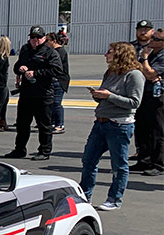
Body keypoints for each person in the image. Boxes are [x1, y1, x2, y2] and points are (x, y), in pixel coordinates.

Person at [80, 42, 145, 211]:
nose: (105, 55)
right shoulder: (110, 72)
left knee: (119, 165)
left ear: (120, 55)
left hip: (119, 125)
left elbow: (134, 102)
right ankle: (85, 195)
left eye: (109, 52)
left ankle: (115, 199)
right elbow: (106, 96)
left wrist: (109, 96)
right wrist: (98, 96)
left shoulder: (134, 75)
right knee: (88, 160)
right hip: (101, 122)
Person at [4, 26, 63, 161]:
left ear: (44, 38)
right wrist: (20, 69)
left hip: (43, 94)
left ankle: (44, 150)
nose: (35, 40)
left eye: (38, 37)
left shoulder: (50, 52)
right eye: (32, 37)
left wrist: (36, 73)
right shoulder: (25, 50)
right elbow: (16, 67)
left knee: (44, 125)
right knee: (22, 124)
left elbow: (57, 71)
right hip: (26, 93)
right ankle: (19, 149)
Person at [131, 29, 164, 175]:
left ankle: (159, 163)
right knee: (142, 127)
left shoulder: (159, 56)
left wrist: (144, 58)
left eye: (156, 39)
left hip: (158, 96)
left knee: (157, 130)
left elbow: (151, 73)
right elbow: (138, 70)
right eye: (153, 38)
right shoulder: (152, 53)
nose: (152, 41)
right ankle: (144, 160)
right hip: (144, 93)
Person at [47, 32, 70, 133]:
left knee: (56, 103)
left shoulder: (59, 52)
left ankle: (59, 124)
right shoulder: (53, 51)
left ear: (53, 41)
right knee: (51, 103)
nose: (45, 43)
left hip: (59, 80)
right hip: (54, 80)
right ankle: (52, 122)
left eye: (47, 41)